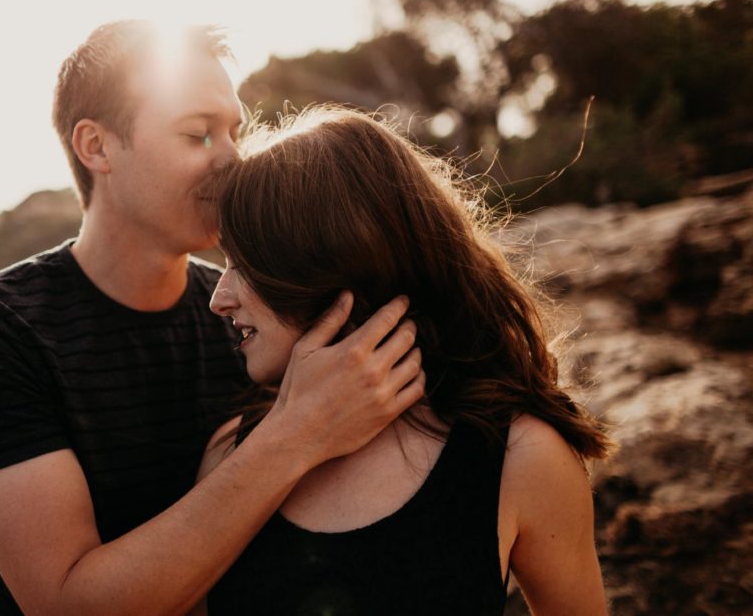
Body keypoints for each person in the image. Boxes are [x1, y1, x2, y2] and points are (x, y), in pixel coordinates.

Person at [0, 22, 425, 615]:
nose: (233, 159)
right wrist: (298, 432)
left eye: (234, 131)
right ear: (96, 147)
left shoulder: (255, 317)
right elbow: (67, 605)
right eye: (198, 133)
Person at [195, 106, 614, 615]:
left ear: (328, 263)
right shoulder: (230, 452)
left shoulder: (521, 457)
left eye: (244, 264)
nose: (219, 299)